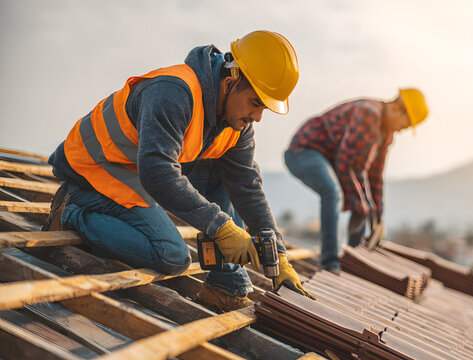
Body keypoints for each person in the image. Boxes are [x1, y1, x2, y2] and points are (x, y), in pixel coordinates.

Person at [43, 30, 313, 312]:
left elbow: (246, 183)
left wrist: (277, 252)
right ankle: (71, 213)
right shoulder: (173, 93)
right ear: (230, 84)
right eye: (255, 102)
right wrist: (220, 226)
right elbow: (158, 172)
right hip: (94, 170)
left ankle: (225, 284)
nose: (257, 116)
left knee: (226, 173)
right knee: (171, 256)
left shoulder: (238, 123)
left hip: (137, 170)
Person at [284, 89, 429, 273]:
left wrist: (377, 217)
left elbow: (375, 177)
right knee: (333, 192)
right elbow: (346, 163)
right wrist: (363, 205)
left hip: (331, 160)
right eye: (406, 125)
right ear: (397, 108)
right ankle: (330, 263)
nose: (403, 130)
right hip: (303, 151)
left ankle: (352, 261)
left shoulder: (386, 135)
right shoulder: (369, 113)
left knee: (362, 205)